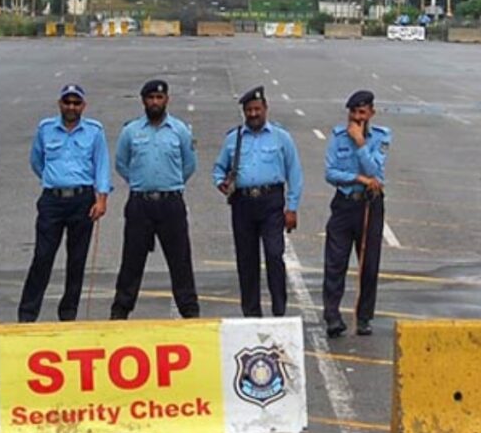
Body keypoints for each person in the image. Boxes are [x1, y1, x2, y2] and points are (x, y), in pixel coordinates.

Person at [18, 84, 111, 322]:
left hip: (82, 200)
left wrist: (101, 198)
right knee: (42, 257)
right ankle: (27, 314)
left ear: (83, 106)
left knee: (77, 259)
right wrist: (54, 180)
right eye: (67, 102)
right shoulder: (46, 129)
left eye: (76, 103)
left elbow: (102, 165)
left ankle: (68, 313)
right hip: (53, 200)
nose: (71, 107)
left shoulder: (94, 131)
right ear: (60, 104)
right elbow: (37, 161)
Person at [110, 80, 199, 320]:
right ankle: (120, 311)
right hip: (140, 204)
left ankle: (190, 311)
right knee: (131, 260)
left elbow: (189, 165)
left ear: (167, 100)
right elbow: (121, 163)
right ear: (143, 101)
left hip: (171, 203)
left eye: (159, 98)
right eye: (150, 98)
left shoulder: (179, 130)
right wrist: (141, 183)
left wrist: (170, 183)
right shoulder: (131, 131)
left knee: (180, 260)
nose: (155, 102)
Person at [213, 86, 303, 318]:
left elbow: (294, 173)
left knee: (274, 254)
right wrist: (221, 182)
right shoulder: (234, 139)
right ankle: (251, 313)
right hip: (242, 204)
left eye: (257, 109)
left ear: (265, 109)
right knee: (247, 259)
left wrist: (291, 208)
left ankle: (279, 310)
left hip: (271, 201)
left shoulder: (281, 137)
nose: (253, 114)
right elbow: (219, 167)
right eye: (249, 110)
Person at [322, 90, 391, 338]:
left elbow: (376, 171)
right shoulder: (338, 137)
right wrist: (357, 178)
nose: (357, 118)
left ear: (371, 113)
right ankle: (332, 315)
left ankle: (364, 317)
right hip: (344, 202)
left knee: (369, 263)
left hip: (370, 205)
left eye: (362, 113)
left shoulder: (381, 137)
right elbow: (331, 173)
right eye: (353, 112)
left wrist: (361, 142)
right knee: (335, 261)